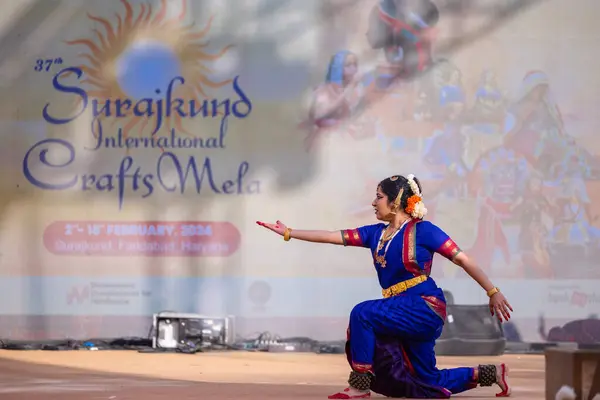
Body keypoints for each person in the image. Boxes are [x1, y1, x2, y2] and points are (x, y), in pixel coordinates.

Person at [257, 174, 513, 399]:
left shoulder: (424, 231)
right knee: (426, 383)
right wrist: (289, 232)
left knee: (363, 313)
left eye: (378, 197)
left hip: (424, 306)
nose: (373, 202)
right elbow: (332, 236)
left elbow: (463, 259)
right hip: (401, 308)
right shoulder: (375, 234)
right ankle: (491, 373)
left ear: (396, 201)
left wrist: (493, 291)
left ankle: (359, 387)